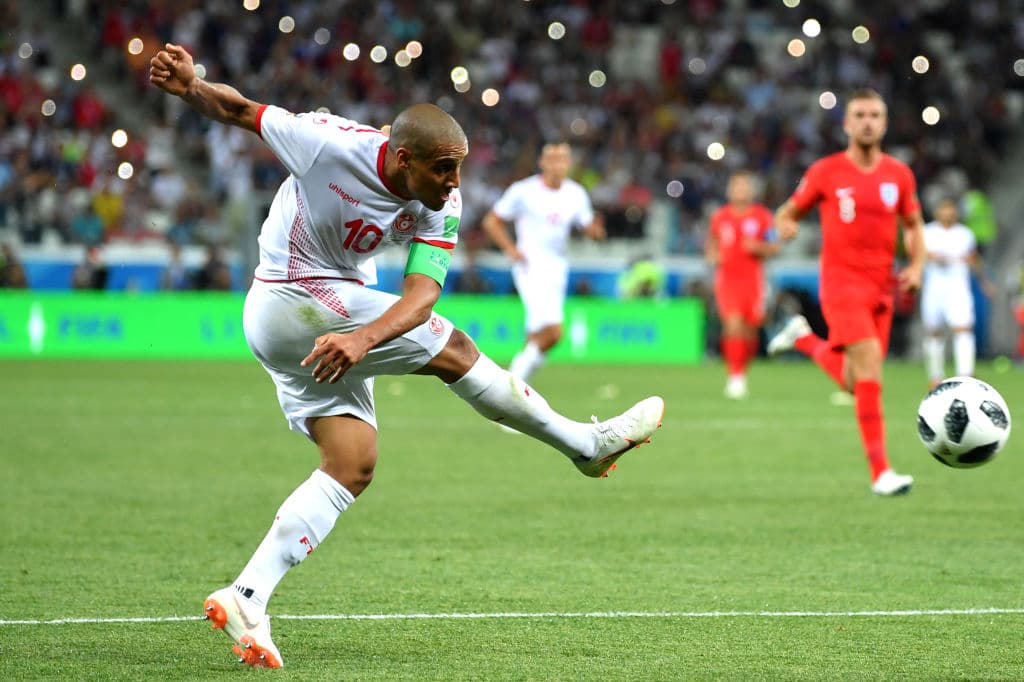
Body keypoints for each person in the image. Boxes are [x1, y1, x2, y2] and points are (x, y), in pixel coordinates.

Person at [149, 44, 664, 669]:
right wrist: (190, 85)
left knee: (353, 464)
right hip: (290, 295)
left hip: (318, 319)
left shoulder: (443, 202)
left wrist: (361, 337)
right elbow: (242, 111)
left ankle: (248, 595)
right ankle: (586, 445)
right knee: (457, 350)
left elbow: (421, 297)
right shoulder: (326, 143)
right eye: (442, 169)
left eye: (459, 169)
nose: (453, 183)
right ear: (401, 157)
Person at [766, 88, 925, 497]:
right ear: (847, 123)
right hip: (841, 285)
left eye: (875, 114)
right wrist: (785, 223)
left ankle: (801, 338)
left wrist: (917, 265)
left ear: (885, 123)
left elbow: (912, 224)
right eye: (860, 114)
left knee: (858, 383)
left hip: (882, 288)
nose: (868, 121)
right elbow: (788, 209)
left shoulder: (899, 175)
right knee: (871, 368)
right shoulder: (826, 172)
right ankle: (881, 473)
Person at [481, 143, 605, 383]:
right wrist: (511, 249)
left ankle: (517, 394)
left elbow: (589, 226)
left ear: (568, 164)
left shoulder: (575, 193)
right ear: (542, 162)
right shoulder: (524, 191)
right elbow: (492, 221)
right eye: (553, 159)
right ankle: (511, 383)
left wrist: (595, 230)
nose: (558, 165)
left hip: (558, 267)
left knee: (537, 334)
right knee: (554, 332)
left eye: (563, 160)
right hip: (531, 265)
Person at [704, 171, 778, 399]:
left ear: (751, 191)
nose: (740, 191)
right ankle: (735, 377)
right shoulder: (720, 217)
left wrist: (759, 248)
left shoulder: (763, 216)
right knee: (733, 323)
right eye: (737, 186)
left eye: (745, 187)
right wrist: (713, 256)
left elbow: (774, 247)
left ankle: (741, 372)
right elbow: (711, 246)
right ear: (730, 190)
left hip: (754, 281)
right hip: (727, 280)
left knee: (749, 330)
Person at [920, 198, 992, 388]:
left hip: (958, 287)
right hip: (934, 287)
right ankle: (936, 376)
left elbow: (973, 258)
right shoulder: (928, 232)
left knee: (963, 328)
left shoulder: (965, 234)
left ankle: (966, 375)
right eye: (945, 209)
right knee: (934, 331)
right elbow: (921, 255)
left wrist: (984, 282)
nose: (948, 213)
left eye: (951, 209)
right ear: (938, 212)